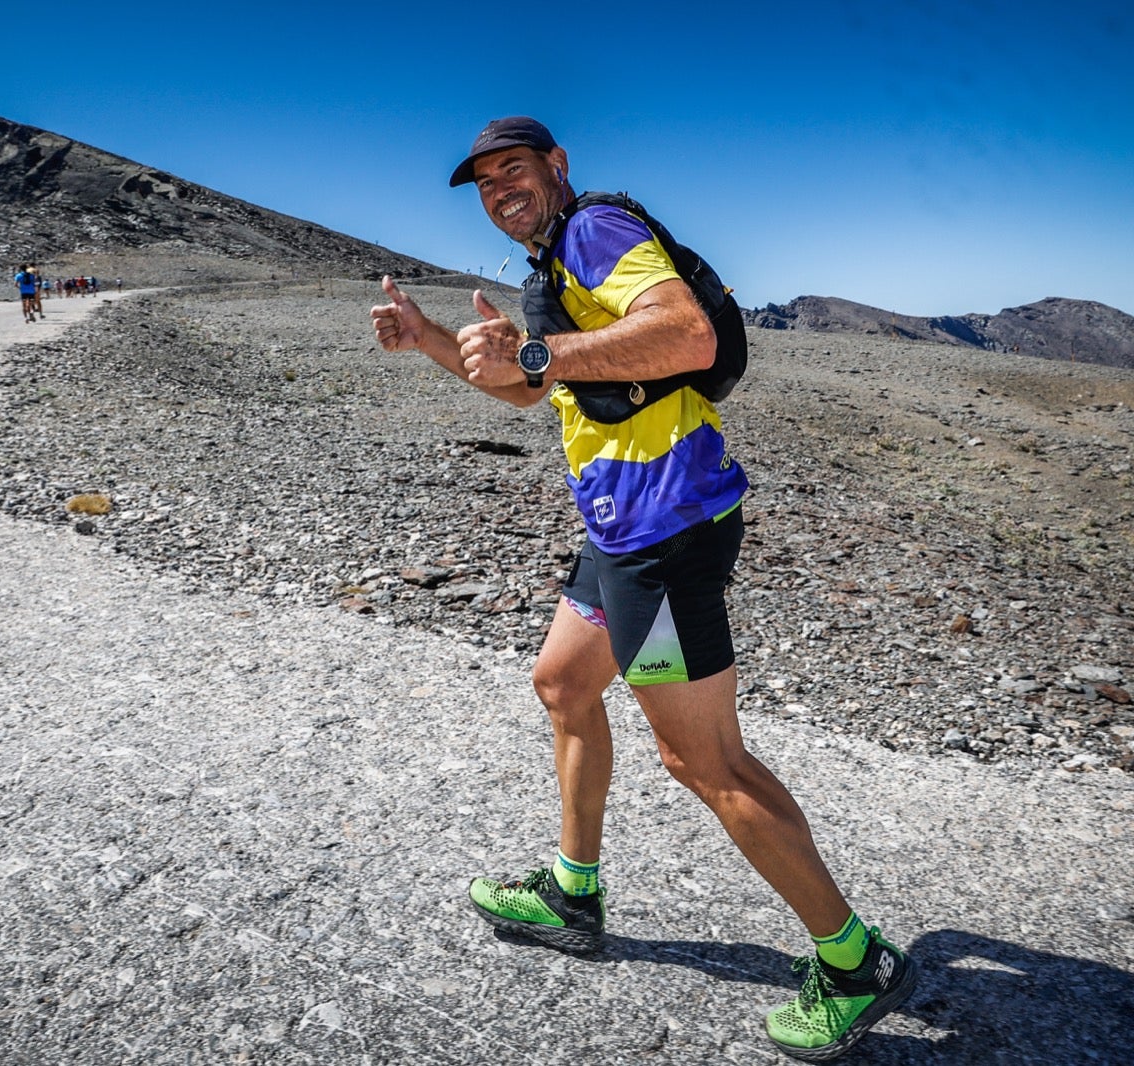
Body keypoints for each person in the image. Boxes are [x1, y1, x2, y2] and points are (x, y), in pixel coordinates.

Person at [369, 117, 916, 1062]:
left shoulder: (593, 233)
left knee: (707, 764)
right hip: (621, 534)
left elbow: (684, 332)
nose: (502, 188)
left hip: (663, 539)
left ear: (556, 168)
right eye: (485, 180)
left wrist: (537, 353)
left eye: (515, 169)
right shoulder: (553, 272)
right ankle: (573, 895)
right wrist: (429, 339)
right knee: (564, 684)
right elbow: (538, 394)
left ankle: (853, 959)